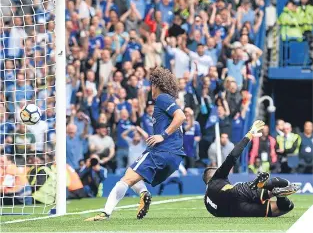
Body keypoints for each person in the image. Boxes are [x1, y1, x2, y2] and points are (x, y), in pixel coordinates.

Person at [85, 67, 186, 221]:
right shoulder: (165, 102)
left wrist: (162, 135)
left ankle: (105, 213)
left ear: (156, 84)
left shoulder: (162, 98)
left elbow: (180, 116)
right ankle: (144, 194)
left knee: (126, 180)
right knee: (131, 172)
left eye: (151, 84)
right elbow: (179, 126)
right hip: (175, 157)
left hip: (162, 152)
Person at [203, 120, 300, 217]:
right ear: (213, 174)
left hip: (239, 211)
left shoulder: (207, 202)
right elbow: (232, 156)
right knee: (279, 183)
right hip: (238, 192)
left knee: (284, 208)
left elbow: (219, 213)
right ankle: (266, 188)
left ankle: (275, 193)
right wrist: (249, 135)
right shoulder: (217, 177)